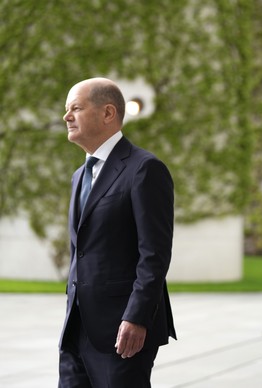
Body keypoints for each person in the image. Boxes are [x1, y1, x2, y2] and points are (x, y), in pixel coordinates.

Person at [59, 78, 176, 387]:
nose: (66, 117)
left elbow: (154, 253)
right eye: (66, 110)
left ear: (108, 112)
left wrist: (136, 316)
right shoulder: (78, 176)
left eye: (76, 108)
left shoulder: (144, 169)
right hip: (77, 328)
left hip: (123, 331)